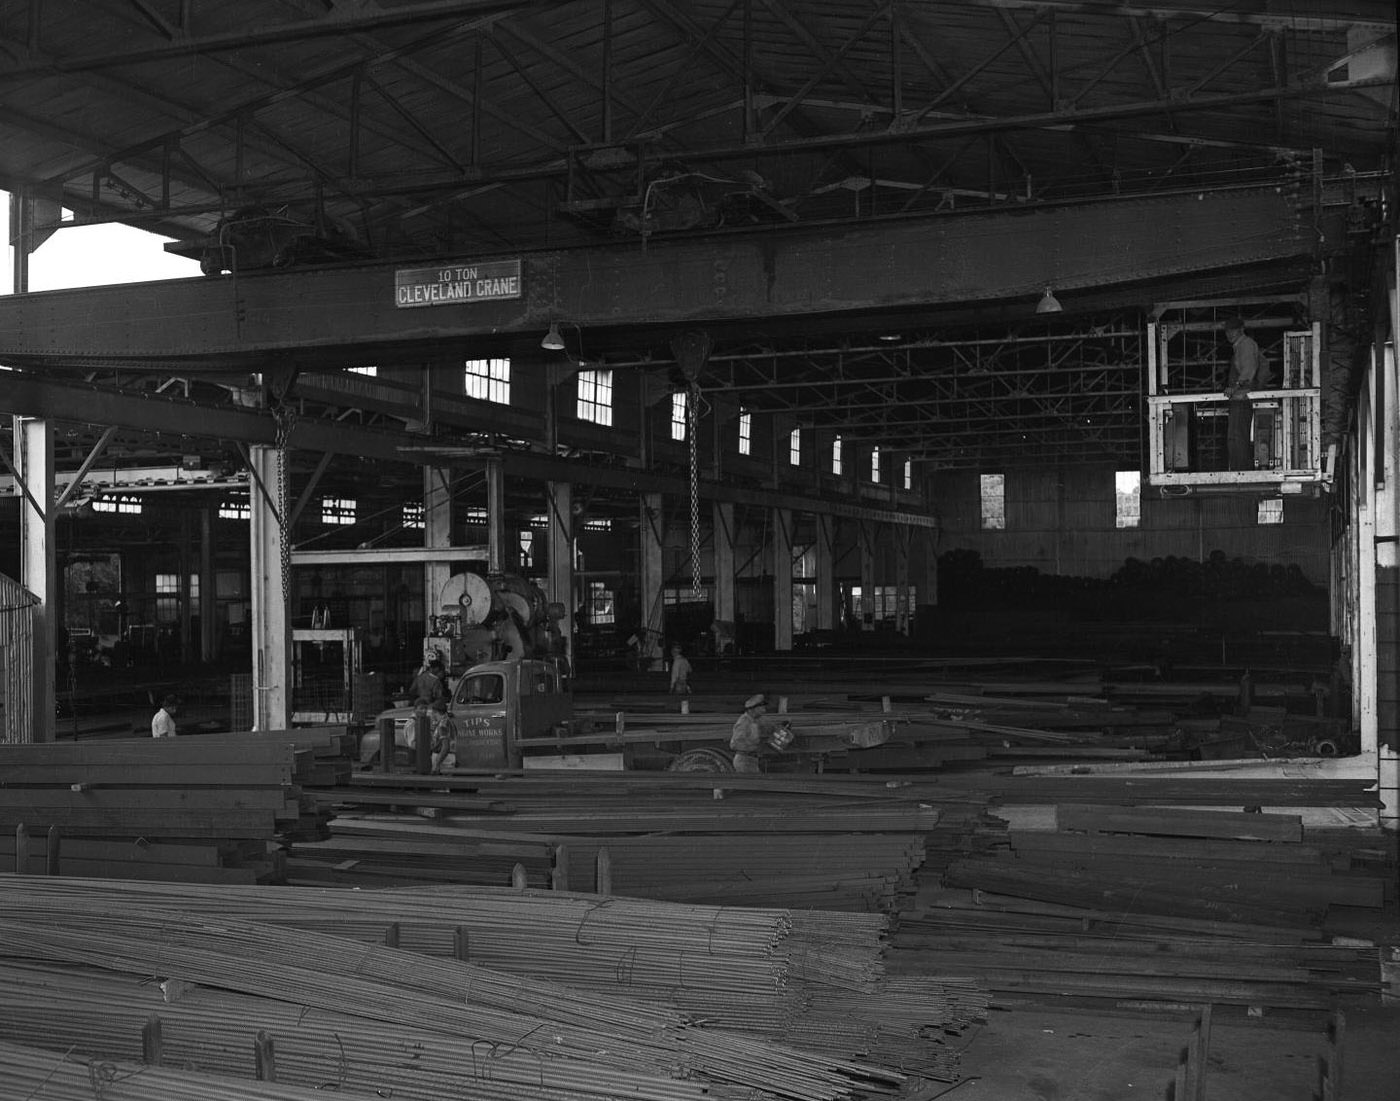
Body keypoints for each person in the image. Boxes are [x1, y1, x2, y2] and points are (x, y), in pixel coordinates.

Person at [1223, 318, 1271, 471]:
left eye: (1233, 330)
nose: (1229, 333)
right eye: (1228, 330)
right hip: (1241, 398)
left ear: (1241, 329)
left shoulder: (1245, 345)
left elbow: (1248, 372)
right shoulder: (1241, 346)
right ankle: (1239, 469)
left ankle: (1240, 471)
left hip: (1242, 398)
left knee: (1237, 437)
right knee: (1237, 436)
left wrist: (1235, 387)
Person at [730, 693, 769, 773]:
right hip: (744, 760)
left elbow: (769, 728)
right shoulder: (744, 722)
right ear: (752, 709)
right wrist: (753, 747)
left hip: (751, 759)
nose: (764, 710)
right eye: (761, 707)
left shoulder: (757, 720)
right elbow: (736, 743)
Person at [429, 698, 458, 774]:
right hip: (449, 757)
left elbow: (445, 747)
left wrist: (437, 764)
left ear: (435, 712)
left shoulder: (442, 725)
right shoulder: (449, 721)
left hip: (444, 759)